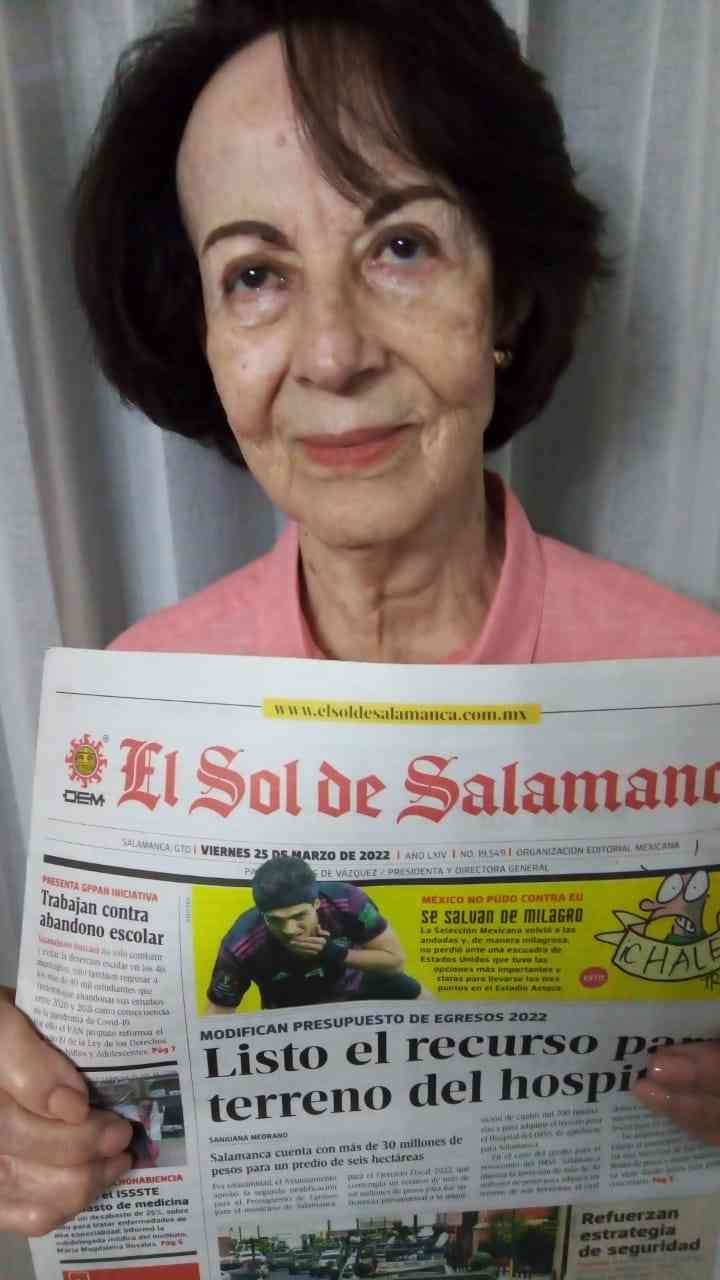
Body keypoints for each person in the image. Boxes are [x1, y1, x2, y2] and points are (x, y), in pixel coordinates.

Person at [2, 0, 720, 1240]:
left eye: (400, 245)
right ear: (205, 337)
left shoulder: (694, 679)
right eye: (256, 274)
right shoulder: (138, 699)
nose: (332, 353)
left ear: (505, 298)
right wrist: (37, 1120)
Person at [206, 856, 421, 1010]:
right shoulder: (241, 942)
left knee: (424, 1001)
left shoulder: (347, 900)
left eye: (299, 915)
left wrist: (337, 953)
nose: (290, 930)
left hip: (358, 983)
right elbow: (218, 1011)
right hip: (293, 1005)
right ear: (262, 915)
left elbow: (396, 962)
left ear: (316, 904)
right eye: (275, 920)